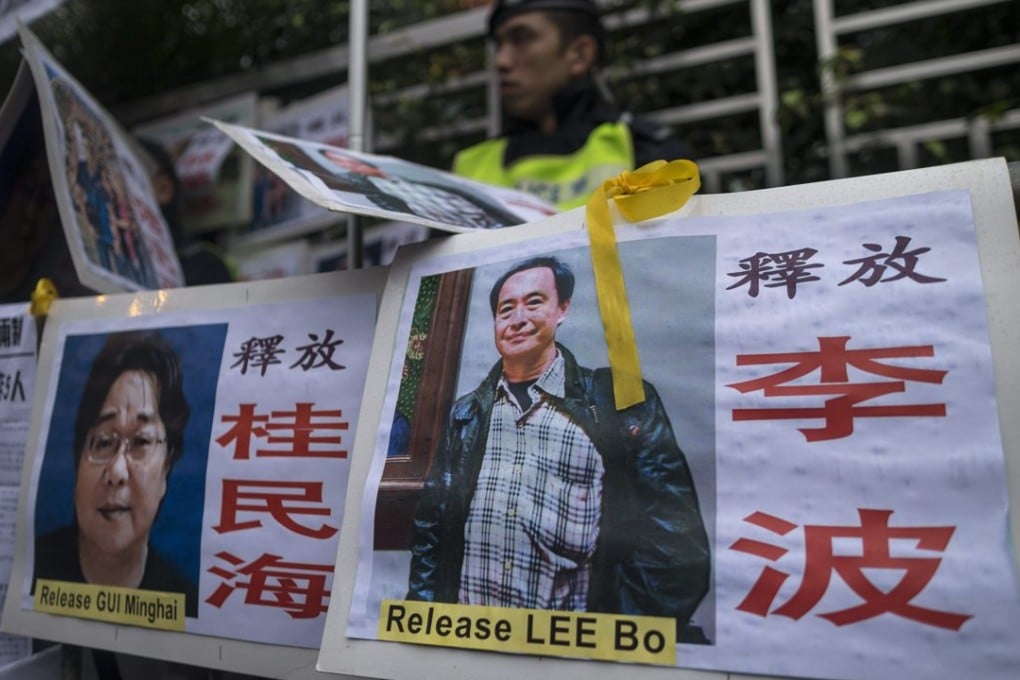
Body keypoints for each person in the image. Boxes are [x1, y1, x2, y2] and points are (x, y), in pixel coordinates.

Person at [406, 256, 711, 641]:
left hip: (566, 652)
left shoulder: (618, 402)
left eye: (534, 303)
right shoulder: (468, 413)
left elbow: (675, 543)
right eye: (505, 309)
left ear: (562, 309)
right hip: (472, 643)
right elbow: (432, 528)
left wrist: (616, 640)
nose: (517, 319)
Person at [453, 0, 691, 211]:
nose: (501, 61)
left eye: (522, 38)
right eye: (499, 44)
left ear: (579, 54)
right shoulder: (469, 166)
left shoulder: (646, 151)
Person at [34, 331, 198, 617]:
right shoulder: (30, 569)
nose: (117, 472)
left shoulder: (187, 604)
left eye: (142, 442)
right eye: (103, 442)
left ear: (167, 465)